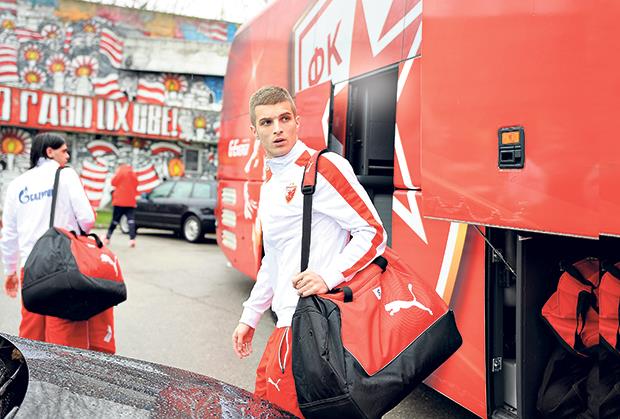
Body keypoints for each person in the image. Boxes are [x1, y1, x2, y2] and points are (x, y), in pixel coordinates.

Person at [231, 86, 387, 416]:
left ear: (297, 122)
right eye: (267, 122)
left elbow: (373, 233)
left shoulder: (324, 167)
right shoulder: (270, 183)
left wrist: (328, 276)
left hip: (316, 325)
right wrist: (250, 316)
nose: (277, 129)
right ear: (254, 131)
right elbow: (273, 259)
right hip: (286, 324)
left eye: (285, 118)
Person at [1, 132, 116, 353]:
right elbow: (87, 220)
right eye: (64, 150)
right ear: (49, 151)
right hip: (63, 267)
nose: (68, 155)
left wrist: (10, 271)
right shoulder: (66, 175)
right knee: (65, 338)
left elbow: (9, 235)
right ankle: (63, 374)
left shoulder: (17, 184)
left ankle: (33, 373)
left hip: (31, 268)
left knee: (31, 336)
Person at [104, 163, 139, 247]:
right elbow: (137, 183)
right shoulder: (133, 173)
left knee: (115, 220)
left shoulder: (120, 172)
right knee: (131, 220)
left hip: (119, 201)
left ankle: (107, 238)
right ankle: (132, 239)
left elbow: (113, 182)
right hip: (130, 201)